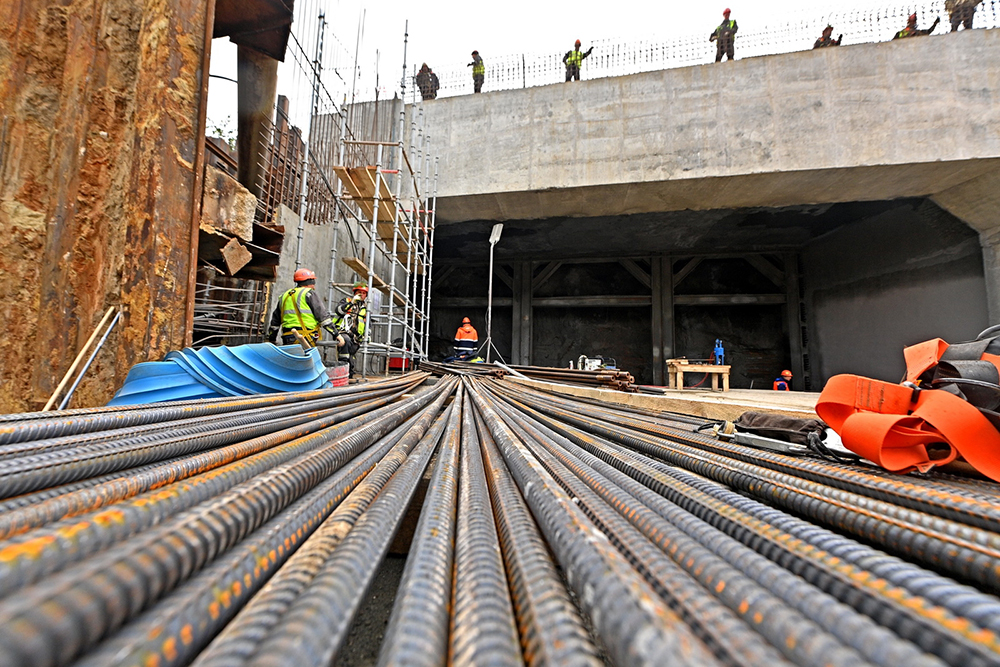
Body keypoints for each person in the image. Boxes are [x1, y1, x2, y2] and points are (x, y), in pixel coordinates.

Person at [268, 268, 336, 347]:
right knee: (307, 358)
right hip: (306, 337)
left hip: (288, 337)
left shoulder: (285, 295)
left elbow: (275, 323)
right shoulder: (308, 294)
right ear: (310, 281)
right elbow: (323, 317)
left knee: (292, 358)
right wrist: (336, 334)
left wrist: (272, 339)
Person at [330, 281, 369, 378]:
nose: (361, 295)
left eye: (364, 293)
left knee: (351, 354)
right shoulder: (346, 301)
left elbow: (368, 324)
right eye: (359, 292)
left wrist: (367, 336)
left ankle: (348, 373)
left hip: (356, 336)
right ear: (355, 293)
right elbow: (338, 311)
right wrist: (352, 303)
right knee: (345, 345)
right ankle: (344, 372)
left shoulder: (365, 308)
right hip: (342, 333)